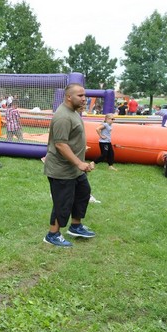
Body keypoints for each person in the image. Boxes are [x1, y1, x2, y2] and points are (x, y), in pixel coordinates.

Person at [43, 84, 95, 247]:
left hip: (74, 169)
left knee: (83, 193)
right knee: (63, 201)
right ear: (68, 97)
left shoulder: (73, 112)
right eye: (80, 95)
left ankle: (75, 226)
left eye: (84, 95)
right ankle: (52, 235)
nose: (84, 98)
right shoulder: (63, 116)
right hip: (62, 169)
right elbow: (60, 144)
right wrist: (79, 163)